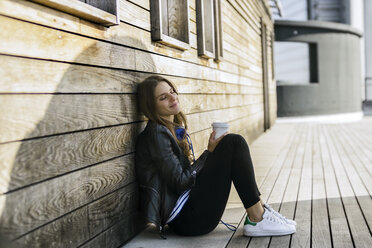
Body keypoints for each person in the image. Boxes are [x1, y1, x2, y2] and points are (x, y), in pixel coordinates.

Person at [135, 75, 296, 238]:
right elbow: (181, 182)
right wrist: (208, 154)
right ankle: (257, 217)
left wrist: (209, 153)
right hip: (188, 219)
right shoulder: (157, 133)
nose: (172, 97)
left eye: (172, 91)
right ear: (151, 106)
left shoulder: (169, 129)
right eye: (163, 97)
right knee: (234, 143)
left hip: (190, 213)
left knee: (231, 143)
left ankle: (260, 211)